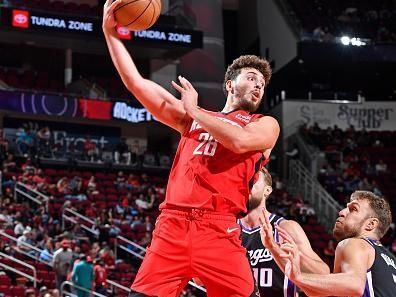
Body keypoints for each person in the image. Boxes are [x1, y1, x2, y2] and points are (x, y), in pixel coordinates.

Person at [103, 1, 279, 296]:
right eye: (251, 78)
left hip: (219, 229)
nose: (258, 85)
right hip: (173, 225)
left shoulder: (264, 124)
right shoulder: (193, 120)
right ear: (229, 84)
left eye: (261, 83)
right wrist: (110, 33)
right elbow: (136, 83)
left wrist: (196, 112)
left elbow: (239, 142)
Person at [277, 190, 396, 297]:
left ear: (370, 224)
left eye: (353, 209)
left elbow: (354, 285)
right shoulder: (391, 260)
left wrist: (298, 276)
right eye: (346, 207)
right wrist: (272, 248)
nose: (341, 212)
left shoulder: (355, 243)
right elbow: (323, 293)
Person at [240, 167, 329, 297]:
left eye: (253, 180)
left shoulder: (286, 228)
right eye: (243, 180)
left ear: (267, 191)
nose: (246, 184)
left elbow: (323, 273)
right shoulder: (229, 229)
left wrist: (289, 254)